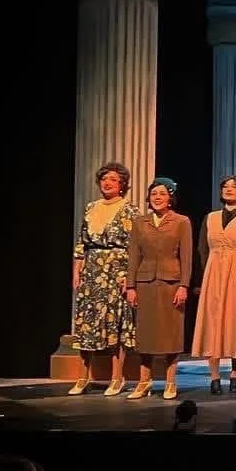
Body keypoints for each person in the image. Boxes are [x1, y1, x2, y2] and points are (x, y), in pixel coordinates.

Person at [70, 162, 140, 396]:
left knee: (115, 324)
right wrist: (77, 269)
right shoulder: (91, 208)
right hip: (91, 270)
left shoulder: (130, 210)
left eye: (113, 179)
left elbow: (135, 247)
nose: (107, 183)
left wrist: (129, 278)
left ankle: (116, 377)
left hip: (116, 270)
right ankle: (82, 376)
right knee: (86, 322)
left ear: (122, 184)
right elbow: (81, 242)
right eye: (104, 179)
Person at [191, 176, 236, 394]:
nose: (229, 190)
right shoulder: (210, 218)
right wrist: (201, 280)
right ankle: (214, 376)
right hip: (213, 273)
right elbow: (202, 251)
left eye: (234, 187)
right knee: (212, 322)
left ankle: (234, 372)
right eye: (225, 187)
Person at [124, 177, 193, 400]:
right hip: (144, 283)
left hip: (171, 283)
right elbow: (133, 256)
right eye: (154, 194)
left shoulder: (181, 221)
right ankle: (144, 382)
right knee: (145, 334)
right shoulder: (139, 222)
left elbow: (187, 257)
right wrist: (131, 286)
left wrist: (183, 286)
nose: (157, 197)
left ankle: (170, 382)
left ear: (170, 197)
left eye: (162, 194)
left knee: (171, 334)